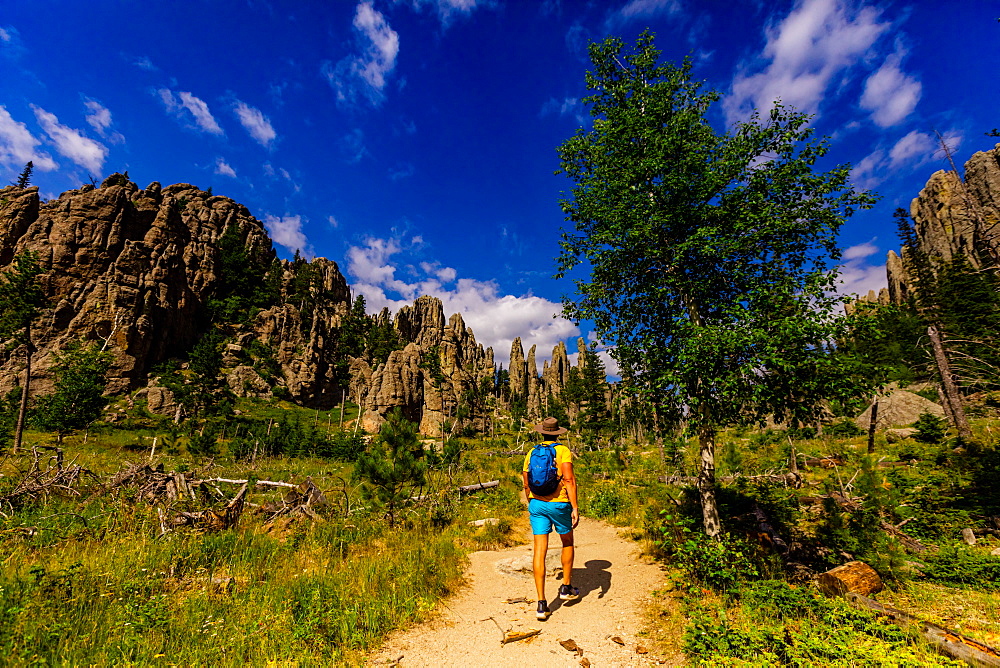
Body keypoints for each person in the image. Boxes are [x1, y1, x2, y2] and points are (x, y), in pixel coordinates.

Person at [522, 416, 580, 621]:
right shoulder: (562, 451)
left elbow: (526, 479)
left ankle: (541, 603)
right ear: (557, 433)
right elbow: (569, 479)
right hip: (559, 502)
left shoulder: (531, 452)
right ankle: (565, 587)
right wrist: (574, 506)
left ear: (542, 432)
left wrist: (531, 501)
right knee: (567, 541)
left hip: (537, 503)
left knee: (539, 550)